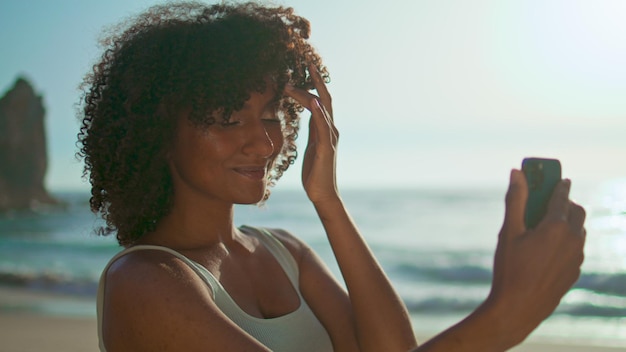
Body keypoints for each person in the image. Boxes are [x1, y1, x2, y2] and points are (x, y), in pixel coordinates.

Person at [77, 2, 586, 351]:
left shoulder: (285, 251)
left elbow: (392, 350)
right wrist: (506, 316)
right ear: (157, 133)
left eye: (273, 114)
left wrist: (328, 199)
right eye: (228, 119)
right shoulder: (146, 283)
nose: (263, 141)